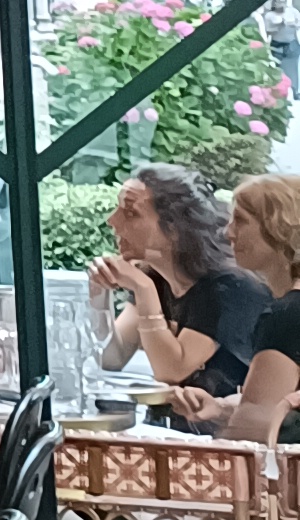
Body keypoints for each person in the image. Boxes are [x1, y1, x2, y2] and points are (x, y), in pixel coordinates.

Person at [90, 163, 268, 400]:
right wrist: (99, 295)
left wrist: (143, 290)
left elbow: (172, 370)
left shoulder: (229, 287)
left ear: (174, 228)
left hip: (233, 421)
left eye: (131, 213)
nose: (112, 220)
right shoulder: (156, 278)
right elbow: (111, 357)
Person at [159, 169, 300, 439]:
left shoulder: (288, 314)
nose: (228, 232)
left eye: (241, 221)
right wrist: (221, 408)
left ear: (280, 230)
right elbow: (282, 408)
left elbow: (254, 427)